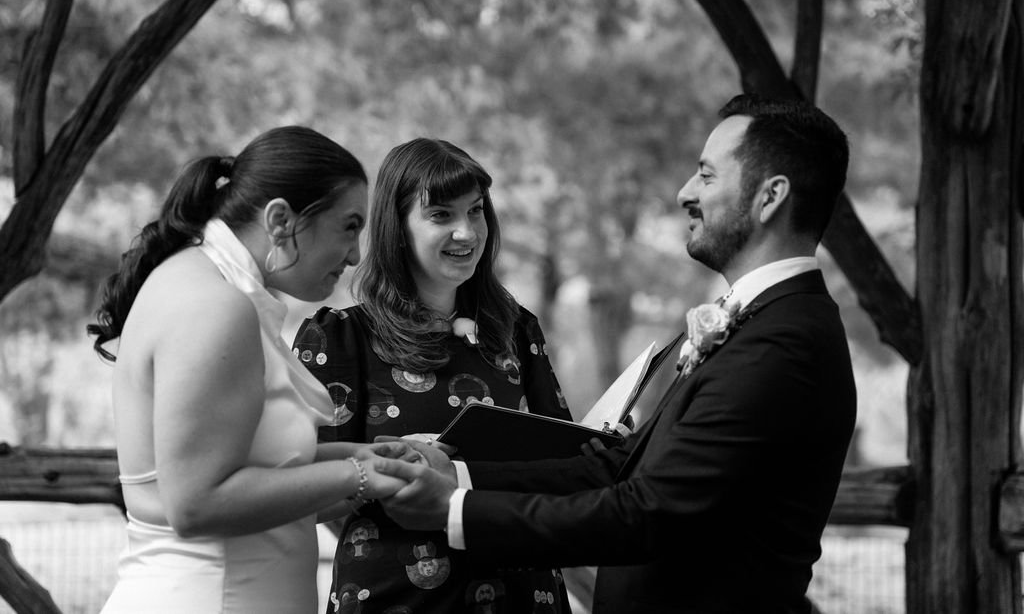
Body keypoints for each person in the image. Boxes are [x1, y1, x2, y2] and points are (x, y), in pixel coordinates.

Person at [373, 95, 859, 614]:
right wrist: (460, 475)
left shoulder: (784, 342)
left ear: (770, 197)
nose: (684, 192)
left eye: (707, 176)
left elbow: (651, 514)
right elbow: (618, 469)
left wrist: (455, 510)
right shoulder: (761, 325)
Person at [88, 126, 414, 614]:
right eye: (349, 227)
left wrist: (368, 457)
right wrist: (356, 475)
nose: (355, 256)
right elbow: (197, 503)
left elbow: (264, 493)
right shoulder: (214, 306)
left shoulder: (209, 286)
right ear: (281, 219)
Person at [292, 138, 574, 613]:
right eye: (441, 215)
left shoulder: (518, 329)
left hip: (524, 596)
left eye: (477, 211)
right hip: (395, 596)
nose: (467, 233)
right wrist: (395, 470)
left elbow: (565, 463)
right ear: (397, 228)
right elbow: (307, 494)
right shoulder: (339, 339)